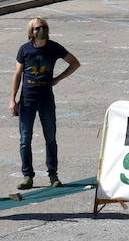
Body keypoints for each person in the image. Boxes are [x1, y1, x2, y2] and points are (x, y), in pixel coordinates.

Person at [9, 17, 80, 189]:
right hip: (27, 98)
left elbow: (75, 63)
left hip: (46, 98)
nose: (41, 30)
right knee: (25, 139)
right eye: (37, 28)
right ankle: (27, 176)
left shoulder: (54, 47)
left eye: (43, 27)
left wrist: (57, 79)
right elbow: (17, 74)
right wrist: (12, 99)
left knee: (50, 137)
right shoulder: (24, 50)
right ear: (31, 32)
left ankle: (53, 175)